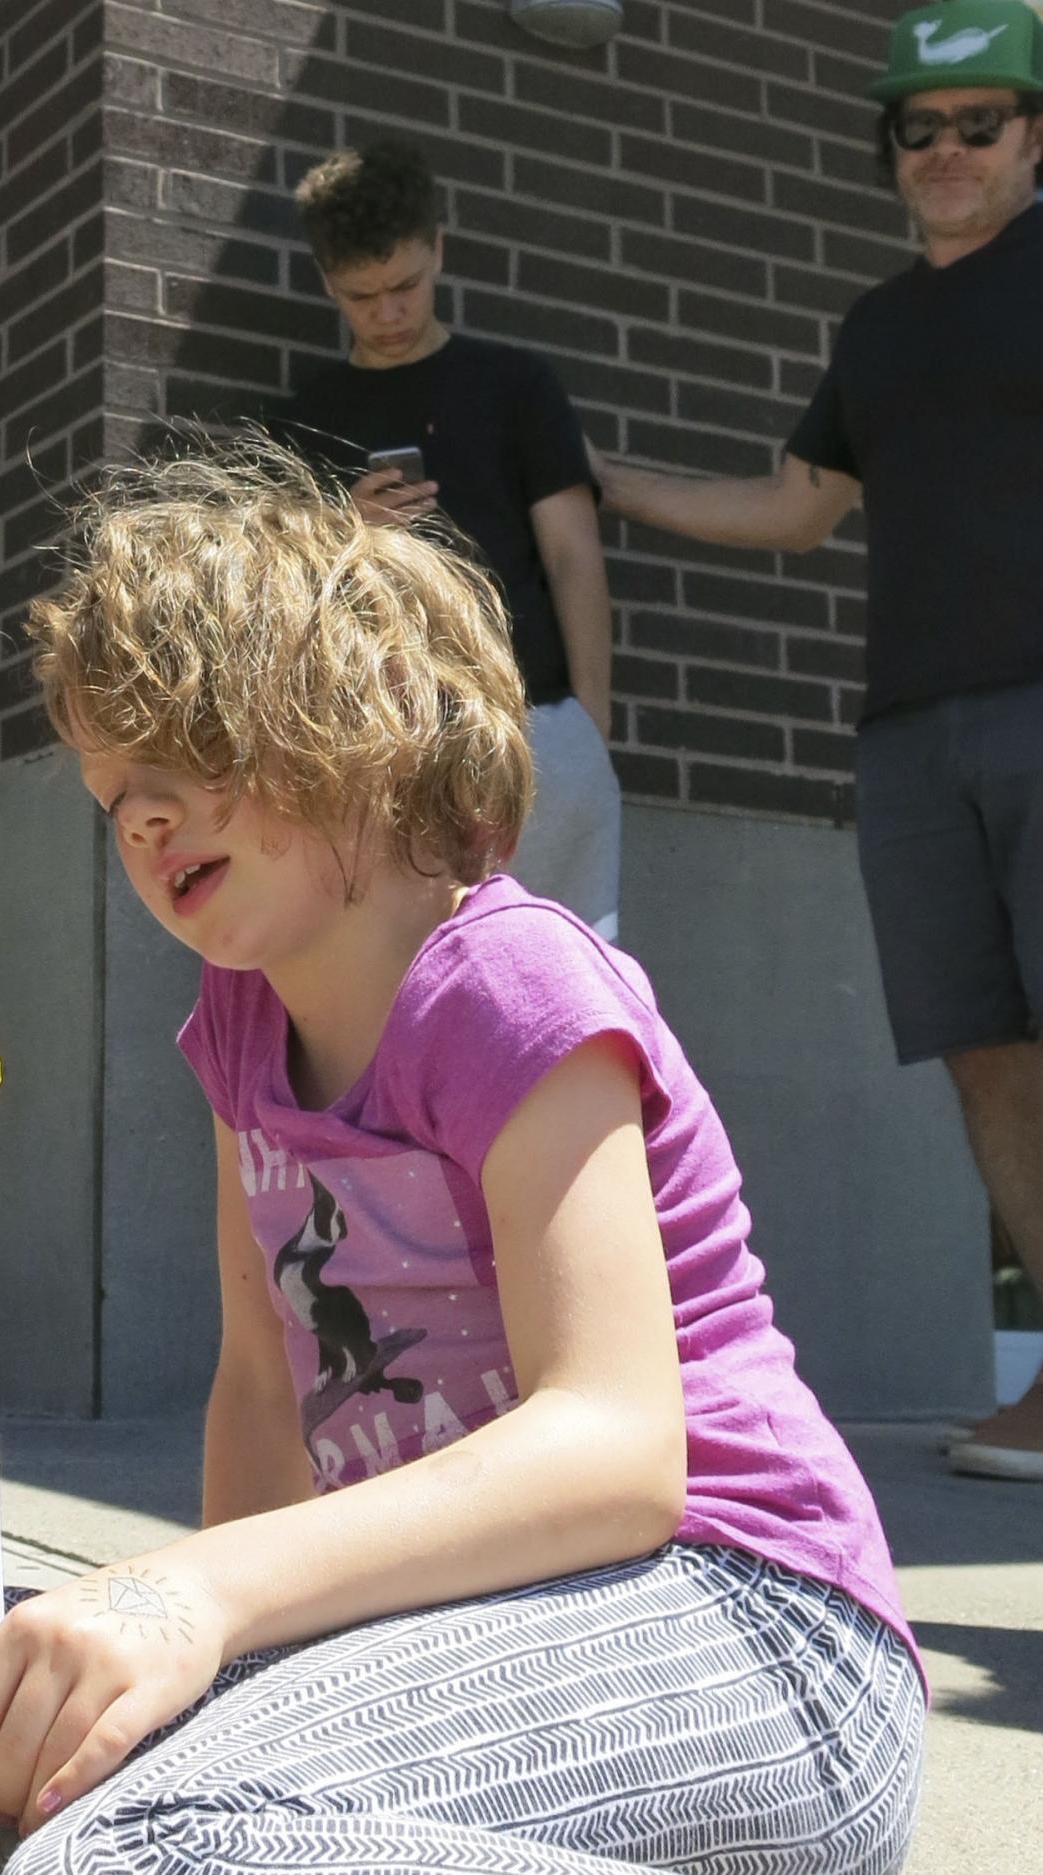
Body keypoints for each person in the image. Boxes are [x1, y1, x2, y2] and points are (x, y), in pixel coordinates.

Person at [0, 448, 921, 1875]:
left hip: (753, 1628)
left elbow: (621, 1447)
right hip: (513, 1635)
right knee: (23, 1817)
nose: (138, 815)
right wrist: (199, 1657)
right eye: (110, 788)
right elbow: (262, 1386)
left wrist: (202, 1586)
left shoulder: (505, 980)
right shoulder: (239, 1032)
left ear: (360, 707)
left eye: (186, 747)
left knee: (137, 1852)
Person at [595, 0, 1043, 1483]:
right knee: (985, 1053)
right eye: (920, 130)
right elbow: (797, 507)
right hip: (911, 733)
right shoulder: (877, 327)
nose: (947, 152)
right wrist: (609, 482)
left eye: (979, 123)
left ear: (1033, 132)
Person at [277, 140, 622, 938]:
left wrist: (590, 723)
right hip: (373, 754)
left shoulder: (515, 387)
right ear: (328, 283)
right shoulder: (299, 423)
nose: (390, 313)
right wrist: (342, 532)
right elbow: (276, 598)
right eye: (363, 297)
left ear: (439, 249)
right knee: (401, 999)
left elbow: (575, 555)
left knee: (559, 985)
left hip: (534, 730)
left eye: (406, 285)